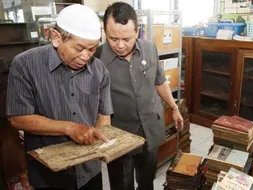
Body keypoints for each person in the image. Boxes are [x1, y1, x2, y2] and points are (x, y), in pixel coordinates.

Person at [6, 4, 113, 190]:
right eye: (79, 48)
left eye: (93, 49)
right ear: (56, 37)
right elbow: (18, 118)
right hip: (48, 177)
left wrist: (103, 141)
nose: (86, 56)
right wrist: (69, 128)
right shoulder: (24, 65)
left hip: (90, 171)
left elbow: (103, 117)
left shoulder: (100, 71)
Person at [98, 2, 184, 190]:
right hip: (119, 136)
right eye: (113, 38)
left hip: (150, 130)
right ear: (104, 31)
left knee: (147, 181)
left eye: (126, 38)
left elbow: (160, 81)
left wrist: (174, 108)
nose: (120, 45)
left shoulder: (149, 48)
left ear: (137, 31)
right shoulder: (96, 58)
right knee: (122, 184)